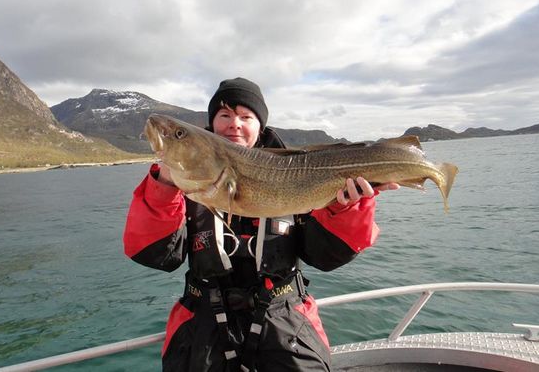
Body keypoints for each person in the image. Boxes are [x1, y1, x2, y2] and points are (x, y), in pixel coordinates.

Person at [123, 77, 398, 371]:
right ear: (212, 124)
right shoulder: (182, 183)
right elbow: (155, 255)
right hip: (202, 327)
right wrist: (163, 187)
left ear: (260, 126)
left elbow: (326, 256)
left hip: (285, 321)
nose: (235, 124)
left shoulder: (299, 172)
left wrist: (346, 208)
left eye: (246, 117)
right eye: (225, 115)